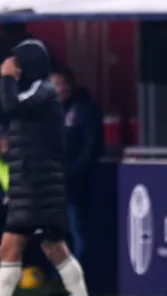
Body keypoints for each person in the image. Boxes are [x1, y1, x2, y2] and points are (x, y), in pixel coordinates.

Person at [0, 39, 97, 296]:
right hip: (32, 185)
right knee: (48, 248)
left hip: (39, 187)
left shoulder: (44, 90)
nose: (14, 67)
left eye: (18, 62)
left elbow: (10, 105)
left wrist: (6, 77)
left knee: (27, 247)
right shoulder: (37, 91)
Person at [49, 66, 104, 263]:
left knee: (78, 231)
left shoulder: (85, 110)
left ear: (69, 85)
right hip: (52, 186)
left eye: (59, 84)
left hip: (76, 185)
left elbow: (91, 149)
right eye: (52, 85)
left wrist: (70, 175)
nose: (56, 90)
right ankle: (59, 277)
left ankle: (81, 278)